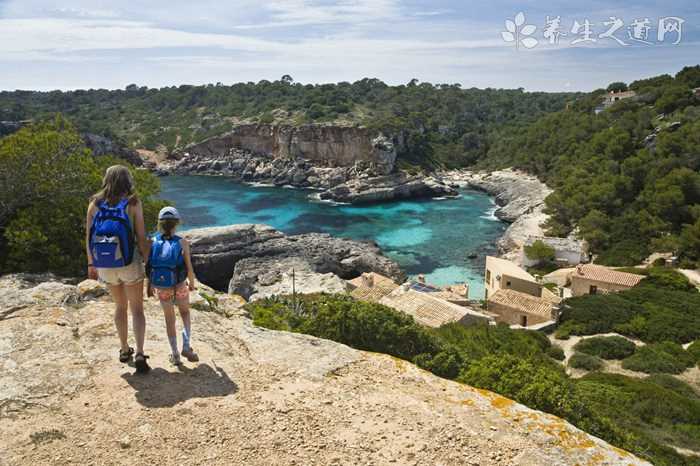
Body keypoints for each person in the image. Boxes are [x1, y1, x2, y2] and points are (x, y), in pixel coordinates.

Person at [86, 165, 151, 373]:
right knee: (137, 309)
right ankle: (140, 352)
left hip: (105, 263)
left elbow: (88, 237)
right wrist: (148, 261)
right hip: (128, 261)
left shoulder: (95, 204)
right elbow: (140, 237)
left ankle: (124, 349)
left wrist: (91, 264)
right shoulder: (132, 202)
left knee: (120, 307)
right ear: (127, 180)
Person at [146, 206, 198, 366]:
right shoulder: (182, 242)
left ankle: (175, 354)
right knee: (185, 313)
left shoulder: (152, 241)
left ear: (159, 224)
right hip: (180, 285)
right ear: (177, 223)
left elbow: (149, 266)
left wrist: (149, 285)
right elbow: (188, 266)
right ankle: (186, 344)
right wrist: (192, 283)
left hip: (161, 287)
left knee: (169, 320)